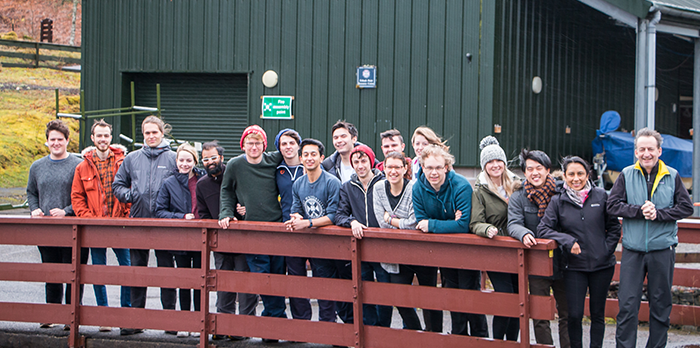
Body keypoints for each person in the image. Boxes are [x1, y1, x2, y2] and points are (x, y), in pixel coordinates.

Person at [607, 128, 693, 348]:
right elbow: (612, 205)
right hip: (633, 250)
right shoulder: (626, 174)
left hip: (662, 250)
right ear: (636, 152)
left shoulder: (672, 176)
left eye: (651, 149)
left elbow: (686, 207)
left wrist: (659, 214)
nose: (646, 153)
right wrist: (639, 211)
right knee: (627, 305)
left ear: (659, 151)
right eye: (642, 149)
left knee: (661, 305)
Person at [538, 156, 621, 348]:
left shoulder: (601, 196)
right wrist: (568, 240)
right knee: (574, 315)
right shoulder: (558, 201)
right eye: (571, 174)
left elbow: (614, 227)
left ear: (588, 174)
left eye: (580, 174)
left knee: (597, 314)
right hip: (574, 266)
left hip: (602, 265)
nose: (576, 178)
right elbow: (543, 229)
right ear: (564, 176)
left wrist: (606, 249)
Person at [412, 144, 487, 336]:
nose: (433, 172)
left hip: (466, 251)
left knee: (470, 298)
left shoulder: (460, 186)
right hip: (444, 253)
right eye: (429, 167)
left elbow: (463, 225)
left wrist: (433, 225)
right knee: (452, 297)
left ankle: (481, 338)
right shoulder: (418, 188)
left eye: (438, 167)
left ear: (446, 166)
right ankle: (458, 339)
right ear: (422, 167)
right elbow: (421, 222)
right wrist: (446, 223)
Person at [218, 125, 288, 331]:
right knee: (261, 277)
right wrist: (226, 212)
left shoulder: (273, 159)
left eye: (258, 143)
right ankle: (273, 321)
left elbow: (293, 155)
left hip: (275, 227)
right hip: (252, 230)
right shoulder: (235, 165)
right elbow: (226, 191)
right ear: (243, 145)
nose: (254, 147)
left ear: (264, 145)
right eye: (250, 143)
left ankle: (274, 321)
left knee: (276, 275)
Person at [113, 115, 177, 336]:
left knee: (166, 272)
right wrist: (130, 195)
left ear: (162, 133)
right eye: (147, 133)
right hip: (138, 222)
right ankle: (135, 320)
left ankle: (170, 320)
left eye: (155, 132)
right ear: (143, 135)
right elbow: (118, 184)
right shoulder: (131, 159)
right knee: (137, 273)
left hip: (165, 225)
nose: (151, 136)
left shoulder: (173, 158)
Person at [70, 119, 131, 332]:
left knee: (127, 269)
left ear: (111, 138)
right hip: (95, 226)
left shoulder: (124, 162)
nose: (103, 139)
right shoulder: (82, 166)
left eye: (106, 135)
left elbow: (132, 190)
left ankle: (125, 314)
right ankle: (103, 315)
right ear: (92, 138)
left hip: (120, 225)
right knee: (98, 271)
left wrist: (128, 214)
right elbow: (77, 197)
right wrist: (88, 218)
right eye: (99, 136)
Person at [374, 151, 444, 332]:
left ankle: (433, 336)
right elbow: (380, 222)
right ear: (384, 168)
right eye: (389, 167)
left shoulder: (414, 188)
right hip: (396, 253)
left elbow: (414, 223)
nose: (393, 171)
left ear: (405, 168)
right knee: (400, 298)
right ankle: (417, 333)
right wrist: (394, 222)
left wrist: (391, 220)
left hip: (421, 252)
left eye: (398, 167)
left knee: (429, 297)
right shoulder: (379, 188)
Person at [27, 119, 86, 330]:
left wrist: (67, 210)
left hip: (73, 228)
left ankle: (71, 318)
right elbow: (31, 192)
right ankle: (51, 313)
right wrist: (34, 209)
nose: (56, 143)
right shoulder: (37, 167)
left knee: (73, 273)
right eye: (52, 139)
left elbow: (85, 196)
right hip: (47, 230)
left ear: (67, 140)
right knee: (51, 272)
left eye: (60, 139)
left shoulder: (79, 164)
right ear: (47, 142)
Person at [507, 149, 569, 348]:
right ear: (525, 172)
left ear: (548, 170)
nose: (535, 173)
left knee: (568, 312)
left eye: (539, 168)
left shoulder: (562, 191)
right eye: (530, 169)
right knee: (540, 313)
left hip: (564, 260)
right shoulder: (519, 196)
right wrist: (523, 233)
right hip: (536, 263)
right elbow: (513, 223)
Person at [196, 141, 257, 341]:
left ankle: (245, 326)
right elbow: (203, 214)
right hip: (220, 242)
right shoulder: (202, 185)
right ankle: (222, 326)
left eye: (213, 157)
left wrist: (244, 211)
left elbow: (250, 199)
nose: (210, 162)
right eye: (206, 159)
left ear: (221, 158)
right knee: (222, 283)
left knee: (245, 283)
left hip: (243, 239)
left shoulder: (234, 175)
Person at [335, 145, 392, 327]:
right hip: (360, 247)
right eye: (356, 162)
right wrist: (352, 222)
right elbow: (340, 214)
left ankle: (383, 330)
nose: (360, 165)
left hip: (383, 247)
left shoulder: (384, 183)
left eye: (363, 160)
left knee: (385, 291)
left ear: (371, 161)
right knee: (363, 290)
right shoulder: (348, 187)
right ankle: (370, 329)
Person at [285, 138, 342, 322]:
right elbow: (295, 209)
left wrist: (308, 223)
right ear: (301, 158)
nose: (310, 158)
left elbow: (334, 216)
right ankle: (302, 325)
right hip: (303, 240)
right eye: (306, 155)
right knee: (297, 282)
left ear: (321, 157)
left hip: (325, 242)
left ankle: (328, 326)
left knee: (324, 286)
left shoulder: (332, 182)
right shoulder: (298, 184)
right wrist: (296, 218)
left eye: (314, 154)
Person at [470, 136, 520, 341]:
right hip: (497, 249)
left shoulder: (517, 185)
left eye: (498, 161)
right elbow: (475, 222)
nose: (495, 165)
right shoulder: (480, 190)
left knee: (518, 298)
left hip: (517, 246)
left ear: (504, 162)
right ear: (484, 166)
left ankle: (512, 342)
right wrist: (487, 229)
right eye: (489, 162)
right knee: (505, 296)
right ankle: (498, 342)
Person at [155, 143, 205, 338]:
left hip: (201, 237)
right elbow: (160, 211)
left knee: (200, 281)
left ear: (194, 161)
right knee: (185, 281)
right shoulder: (169, 183)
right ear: (176, 161)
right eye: (181, 160)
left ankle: (200, 321)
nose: (185, 164)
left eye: (188, 160)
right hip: (181, 238)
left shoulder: (203, 180)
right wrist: (181, 217)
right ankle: (186, 322)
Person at [273, 129, 312, 320]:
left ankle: (327, 323)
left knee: (322, 276)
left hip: (312, 227)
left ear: (298, 145)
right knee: (296, 277)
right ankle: (301, 321)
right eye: (284, 144)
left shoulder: (311, 166)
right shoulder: (277, 171)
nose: (288, 147)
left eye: (292, 143)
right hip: (288, 228)